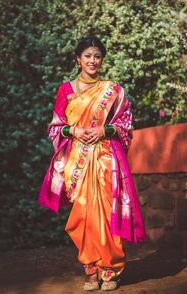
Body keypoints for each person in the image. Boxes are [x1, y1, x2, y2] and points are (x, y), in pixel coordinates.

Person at [38, 35, 146, 291]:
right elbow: (55, 127)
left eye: (97, 56)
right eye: (88, 56)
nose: (93, 61)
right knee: (84, 214)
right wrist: (73, 131)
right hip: (78, 162)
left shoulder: (113, 91)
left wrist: (104, 130)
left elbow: (125, 125)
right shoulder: (66, 90)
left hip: (106, 158)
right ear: (78, 59)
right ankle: (91, 268)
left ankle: (110, 269)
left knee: (108, 212)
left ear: (102, 59)